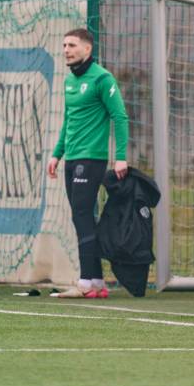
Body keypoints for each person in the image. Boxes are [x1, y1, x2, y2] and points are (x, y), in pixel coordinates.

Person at [47, 28, 129, 298]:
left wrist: (121, 157)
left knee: (82, 214)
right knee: (81, 216)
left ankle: (84, 281)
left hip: (91, 158)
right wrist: (56, 154)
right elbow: (68, 120)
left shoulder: (102, 78)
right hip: (71, 158)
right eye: (64, 45)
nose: (66, 50)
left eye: (72, 45)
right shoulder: (70, 81)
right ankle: (96, 281)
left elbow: (120, 117)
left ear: (87, 49)